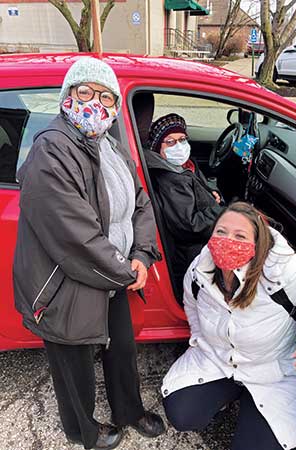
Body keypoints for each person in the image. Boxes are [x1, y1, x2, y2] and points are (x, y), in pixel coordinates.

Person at [13, 56, 165, 450]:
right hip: (65, 280)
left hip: (112, 271)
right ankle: (84, 429)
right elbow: (75, 238)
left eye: (106, 97)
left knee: (123, 347)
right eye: (86, 92)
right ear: (68, 96)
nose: (95, 103)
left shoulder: (109, 143)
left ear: (115, 108)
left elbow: (140, 203)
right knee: (73, 364)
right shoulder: (53, 150)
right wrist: (128, 272)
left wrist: (143, 256)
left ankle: (129, 411)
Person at [161, 201, 296, 450]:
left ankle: (251, 403)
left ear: (257, 243)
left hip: (275, 375)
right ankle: (234, 396)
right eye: (220, 232)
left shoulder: (281, 272)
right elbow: (191, 305)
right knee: (182, 413)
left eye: (239, 235)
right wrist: (199, 341)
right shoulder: (200, 268)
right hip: (220, 362)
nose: (227, 240)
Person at [145, 113, 223, 299]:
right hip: (193, 253)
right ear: (158, 148)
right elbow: (189, 226)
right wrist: (222, 212)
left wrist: (210, 192)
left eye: (182, 139)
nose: (179, 146)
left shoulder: (183, 167)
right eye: (170, 142)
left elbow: (196, 189)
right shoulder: (172, 179)